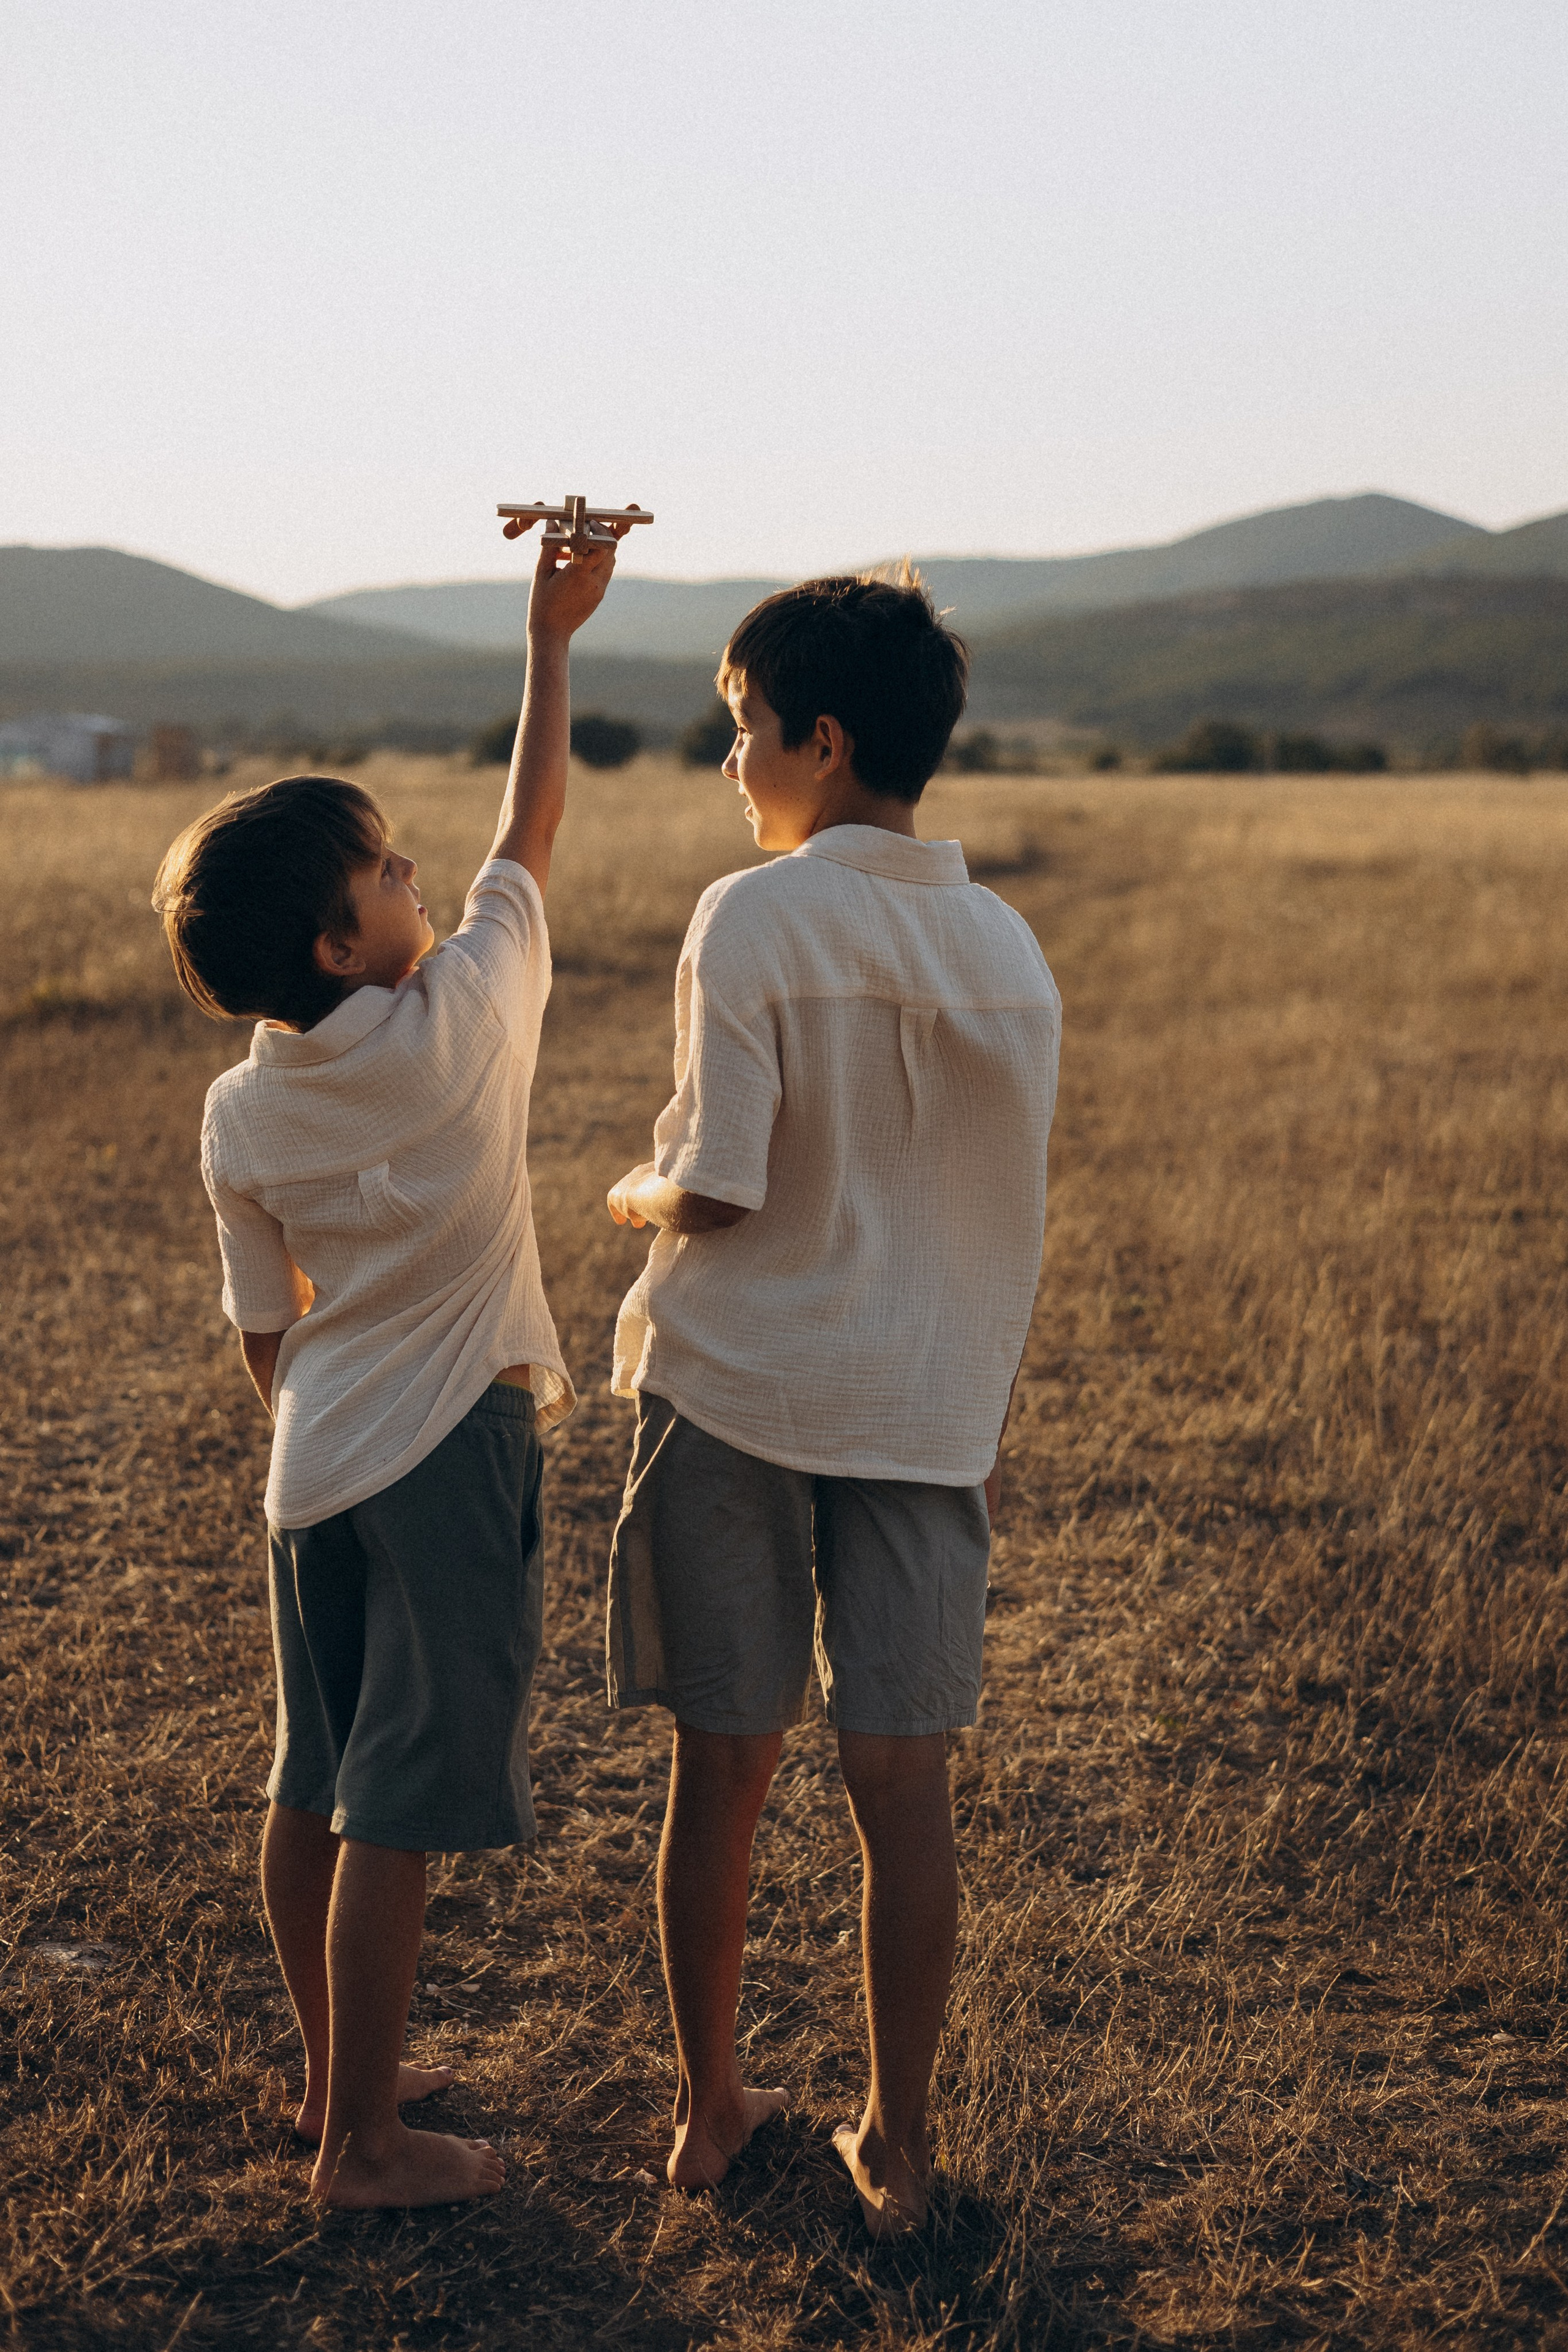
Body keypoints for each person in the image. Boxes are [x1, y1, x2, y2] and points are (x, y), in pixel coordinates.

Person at [151, 514, 631, 2209]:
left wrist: (319, 1431)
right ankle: (365, 2147)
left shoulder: (240, 1109)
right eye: (382, 870)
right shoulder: (463, 1022)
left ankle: (329, 2076)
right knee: (398, 1811)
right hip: (450, 1454)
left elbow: (262, 1322)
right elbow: (530, 829)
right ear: (341, 945)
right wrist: (551, 640)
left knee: (316, 1778)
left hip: (318, 1468)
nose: (415, 871)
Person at [603, 571, 1061, 2236]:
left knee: (722, 1766)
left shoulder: (756, 913)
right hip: (926, 1412)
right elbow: (997, 1214)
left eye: (744, 728)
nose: (732, 760)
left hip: (738, 1388)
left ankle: (708, 2112)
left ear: (824, 738)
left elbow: (719, 1187)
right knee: (902, 1785)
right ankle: (900, 2142)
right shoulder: (1010, 947)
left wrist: (631, 1193)